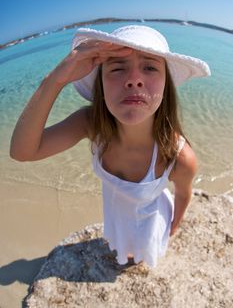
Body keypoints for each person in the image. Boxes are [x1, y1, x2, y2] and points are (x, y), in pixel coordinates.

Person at [10, 25, 210, 267]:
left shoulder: (178, 157)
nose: (134, 80)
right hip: (117, 215)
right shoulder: (91, 124)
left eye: (149, 67)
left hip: (151, 217)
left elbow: (183, 193)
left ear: (165, 85)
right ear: (100, 85)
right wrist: (54, 80)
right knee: (121, 247)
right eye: (117, 68)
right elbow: (22, 151)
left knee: (143, 253)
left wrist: (174, 225)